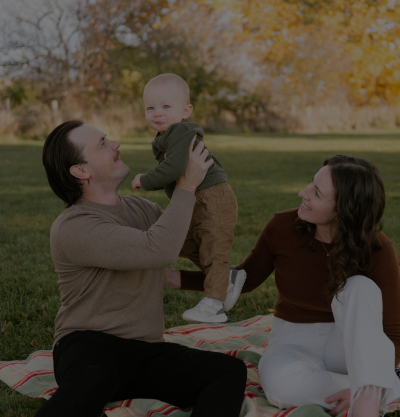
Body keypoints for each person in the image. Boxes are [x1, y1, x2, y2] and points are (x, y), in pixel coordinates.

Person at [36, 120, 247, 417]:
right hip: (89, 343)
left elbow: (192, 246)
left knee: (227, 371)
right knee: (90, 385)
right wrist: (186, 185)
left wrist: (214, 205)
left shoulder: (142, 209)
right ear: (80, 171)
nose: (115, 145)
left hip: (147, 350)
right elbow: (158, 249)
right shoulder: (73, 226)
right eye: (102, 144)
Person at [165, 155, 400, 417]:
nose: (303, 193)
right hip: (292, 338)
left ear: (344, 210)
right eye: (311, 184)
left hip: (346, 341)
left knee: (359, 286)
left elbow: (393, 333)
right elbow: (243, 280)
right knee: (281, 389)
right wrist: (173, 278)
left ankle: (366, 403)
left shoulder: (377, 247)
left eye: (316, 193)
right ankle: (377, 387)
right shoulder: (282, 227)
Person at [131, 73, 246, 323]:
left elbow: (174, 168)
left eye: (166, 106)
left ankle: (213, 304)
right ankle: (228, 276)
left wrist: (145, 179)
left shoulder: (181, 130)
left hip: (213, 197)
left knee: (214, 248)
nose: (156, 112)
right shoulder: (166, 136)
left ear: (186, 111)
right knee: (191, 244)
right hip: (196, 199)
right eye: (150, 107)